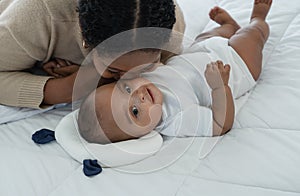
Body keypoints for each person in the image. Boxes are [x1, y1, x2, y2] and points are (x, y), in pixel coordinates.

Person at [77, 0, 272, 144]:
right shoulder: (176, 119)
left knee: (206, 35)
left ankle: (228, 28)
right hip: (236, 65)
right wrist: (219, 88)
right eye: (135, 111)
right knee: (251, 36)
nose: (139, 96)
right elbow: (220, 124)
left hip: (200, 51)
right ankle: (257, 18)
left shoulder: (138, 76)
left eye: (126, 89)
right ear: (138, 136)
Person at [0, 0, 185, 109]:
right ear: (85, 41)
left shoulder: (170, 26)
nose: (129, 80)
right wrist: (66, 88)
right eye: (114, 70)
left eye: (146, 67)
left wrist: (99, 76)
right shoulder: (36, 16)